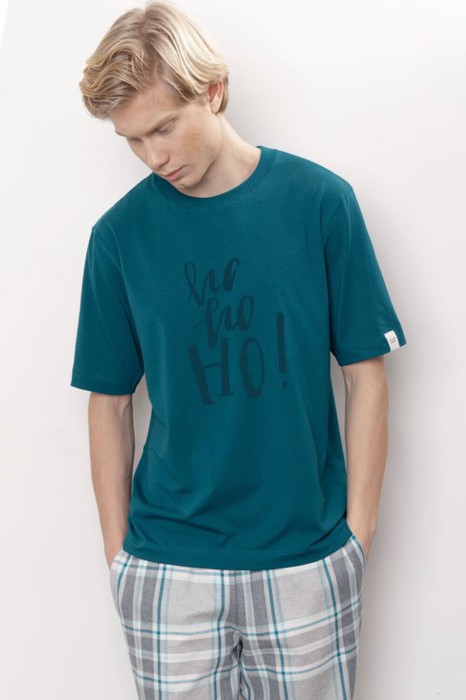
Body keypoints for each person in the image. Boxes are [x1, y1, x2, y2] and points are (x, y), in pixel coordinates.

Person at [70, 1, 407, 697]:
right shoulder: (118, 238)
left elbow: (366, 375)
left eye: (164, 127)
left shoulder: (321, 204)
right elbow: (109, 403)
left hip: (307, 560)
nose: (154, 157)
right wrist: (119, 559)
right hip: (167, 568)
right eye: (133, 141)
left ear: (214, 91)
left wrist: (358, 536)